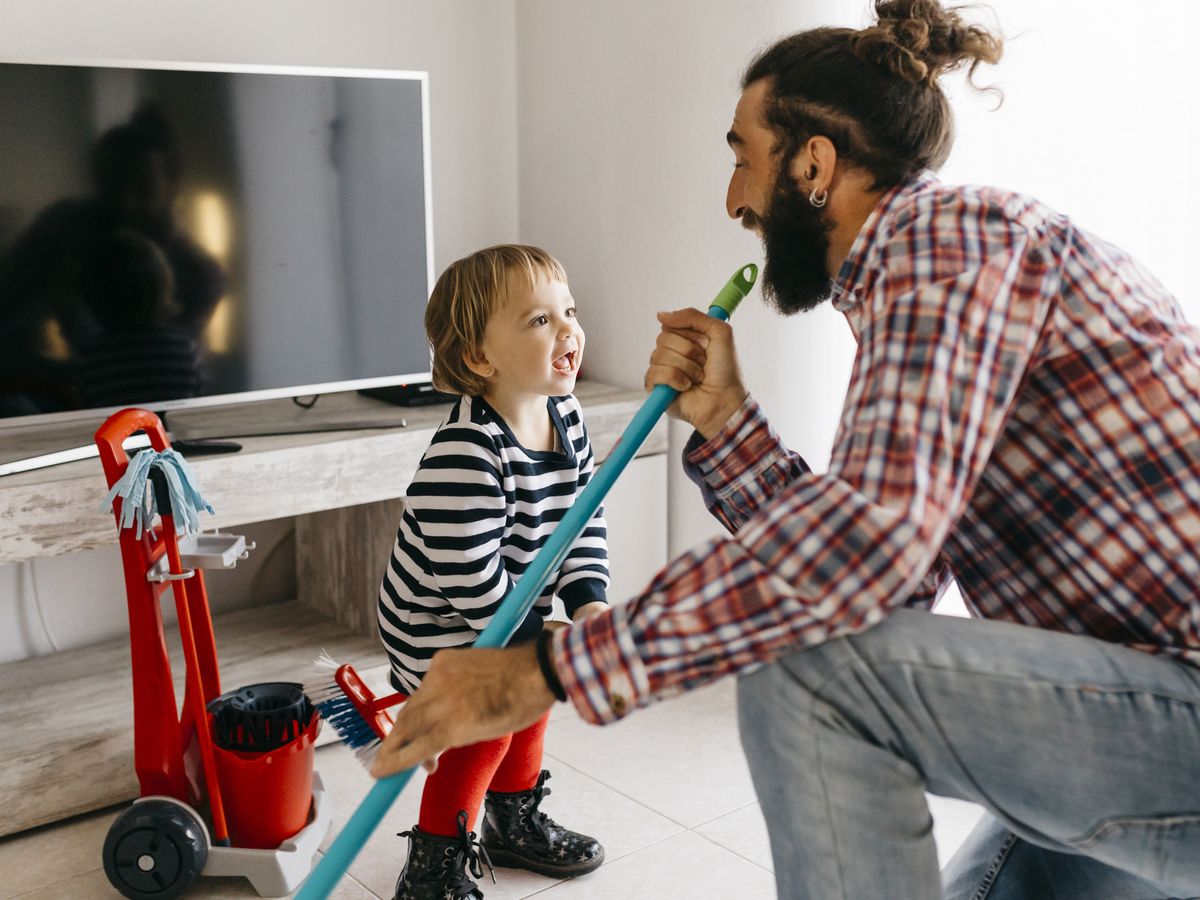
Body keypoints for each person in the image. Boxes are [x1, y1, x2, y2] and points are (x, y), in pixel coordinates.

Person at [370, 3, 1200, 898]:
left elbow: (861, 560)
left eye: (742, 157)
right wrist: (728, 421)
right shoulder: (928, 274)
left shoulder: (950, 249)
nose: (733, 200)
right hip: (1136, 701)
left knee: (810, 677)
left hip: (1172, 707)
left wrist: (545, 669)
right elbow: (887, 581)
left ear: (812, 165)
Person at [378, 244, 610, 900]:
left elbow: (582, 520)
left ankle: (512, 822)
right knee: (484, 726)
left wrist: (588, 600)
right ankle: (433, 865)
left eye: (569, 311)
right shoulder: (466, 451)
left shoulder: (566, 418)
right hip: (439, 626)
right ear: (481, 358)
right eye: (540, 320)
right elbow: (468, 576)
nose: (567, 329)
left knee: (532, 692)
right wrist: (531, 645)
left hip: (510, 607)